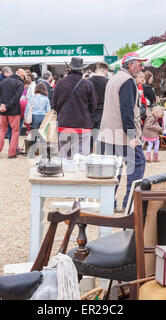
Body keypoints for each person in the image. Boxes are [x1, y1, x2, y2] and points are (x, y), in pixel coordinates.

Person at [98, 52, 147, 211]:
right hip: (122, 134)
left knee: (115, 169)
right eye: (139, 65)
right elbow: (127, 111)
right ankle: (130, 203)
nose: (142, 68)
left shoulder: (114, 78)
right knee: (138, 164)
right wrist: (132, 135)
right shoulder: (127, 81)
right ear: (131, 65)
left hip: (108, 132)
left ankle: (108, 203)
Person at [52, 57, 97, 158]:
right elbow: (93, 105)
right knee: (82, 158)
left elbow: (54, 105)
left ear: (70, 68)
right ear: (81, 70)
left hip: (64, 124)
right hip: (83, 124)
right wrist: (85, 113)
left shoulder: (60, 83)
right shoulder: (88, 84)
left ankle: (67, 173)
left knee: (65, 157)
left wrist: (62, 112)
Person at [0, 69, 26, 159]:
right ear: (22, 76)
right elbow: (16, 98)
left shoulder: (3, 81)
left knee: (2, 130)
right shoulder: (20, 84)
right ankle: (11, 153)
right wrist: (7, 106)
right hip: (14, 111)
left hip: (3, 111)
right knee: (15, 132)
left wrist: (1, 105)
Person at [24, 82, 52, 157]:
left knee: (33, 134)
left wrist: (25, 117)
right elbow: (49, 110)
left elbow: (27, 109)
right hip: (43, 117)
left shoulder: (32, 97)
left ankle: (31, 153)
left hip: (34, 116)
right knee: (43, 134)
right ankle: (45, 153)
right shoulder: (46, 99)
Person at [88, 62, 109, 153]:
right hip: (103, 112)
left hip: (90, 112)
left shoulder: (88, 81)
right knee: (102, 137)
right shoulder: (108, 83)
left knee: (90, 137)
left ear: (96, 70)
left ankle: (89, 155)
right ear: (106, 71)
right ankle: (100, 156)